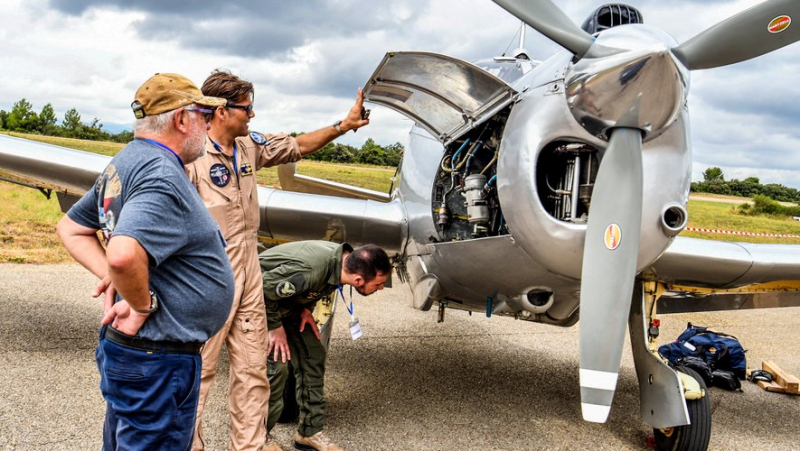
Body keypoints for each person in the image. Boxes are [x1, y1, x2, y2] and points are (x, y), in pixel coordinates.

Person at [186, 69, 370, 451]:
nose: (252, 115)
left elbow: (298, 146)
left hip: (250, 266)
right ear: (221, 110)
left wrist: (344, 125)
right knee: (199, 370)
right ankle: (188, 444)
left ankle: (250, 445)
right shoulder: (189, 154)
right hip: (209, 272)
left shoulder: (249, 145)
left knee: (254, 369)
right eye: (247, 108)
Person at [56, 73, 235, 450]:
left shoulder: (127, 161)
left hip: (140, 353)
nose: (208, 123)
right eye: (204, 114)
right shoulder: (161, 175)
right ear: (182, 120)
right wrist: (141, 301)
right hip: (158, 358)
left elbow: (71, 228)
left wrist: (117, 278)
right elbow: (122, 255)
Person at [260, 241, 391, 451]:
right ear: (358, 280)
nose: (382, 287)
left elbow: (308, 287)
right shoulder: (311, 269)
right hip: (259, 305)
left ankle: (309, 432)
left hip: (287, 304)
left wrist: (305, 308)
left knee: (313, 355)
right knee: (277, 365)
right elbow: (263, 289)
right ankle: (258, 436)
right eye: (378, 283)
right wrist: (274, 328)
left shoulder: (343, 263)